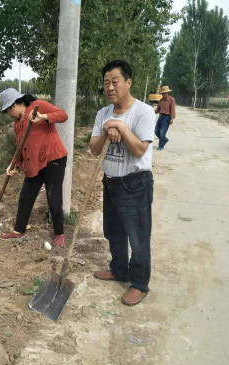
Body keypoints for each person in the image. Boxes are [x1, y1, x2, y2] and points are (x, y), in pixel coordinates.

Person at [88, 60, 154, 306]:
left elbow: (138, 150)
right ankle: (118, 269)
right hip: (111, 183)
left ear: (128, 82)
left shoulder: (144, 112)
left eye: (115, 81)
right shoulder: (102, 114)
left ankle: (139, 284)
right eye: (106, 82)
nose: (110, 87)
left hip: (135, 184)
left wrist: (121, 127)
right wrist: (107, 129)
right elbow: (94, 150)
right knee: (113, 232)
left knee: (138, 238)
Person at [0, 88, 69, 248]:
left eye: (8, 110)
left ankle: (59, 233)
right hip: (33, 163)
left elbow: (63, 115)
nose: (9, 114)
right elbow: (20, 146)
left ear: (15, 105)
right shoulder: (18, 123)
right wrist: (14, 163)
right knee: (25, 196)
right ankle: (18, 230)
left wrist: (43, 117)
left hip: (53, 159)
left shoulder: (38, 106)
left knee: (53, 197)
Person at [154, 85, 176, 150]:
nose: (162, 94)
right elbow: (158, 108)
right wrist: (152, 111)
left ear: (167, 93)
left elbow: (173, 109)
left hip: (167, 118)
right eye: (162, 93)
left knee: (162, 132)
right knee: (156, 130)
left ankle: (161, 145)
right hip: (160, 117)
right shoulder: (161, 100)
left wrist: (172, 118)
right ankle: (165, 139)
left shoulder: (171, 99)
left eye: (164, 93)